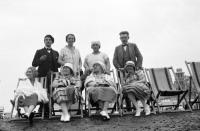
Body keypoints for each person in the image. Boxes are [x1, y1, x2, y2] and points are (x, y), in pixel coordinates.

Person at [113, 31, 143, 111]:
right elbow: (114, 60)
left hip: (133, 72)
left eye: (125, 37)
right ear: (120, 39)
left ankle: (137, 106)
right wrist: (119, 68)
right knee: (125, 88)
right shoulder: (117, 48)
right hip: (123, 72)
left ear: (128, 37)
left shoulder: (133, 45)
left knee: (136, 86)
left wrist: (137, 67)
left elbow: (140, 57)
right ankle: (129, 107)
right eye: (122, 38)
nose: (123, 39)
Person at [32, 34, 60, 116]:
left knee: (52, 92)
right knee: (43, 92)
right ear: (44, 41)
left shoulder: (56, 53)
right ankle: (42, 110)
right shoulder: (39, 51)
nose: (48, 41)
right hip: (42, 76)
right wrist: (40, 59)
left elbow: (58, 66)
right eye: (46, 39)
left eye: (49, 39)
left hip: (53, 76)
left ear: (52, 42)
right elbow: (34, 64)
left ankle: (50, 109)